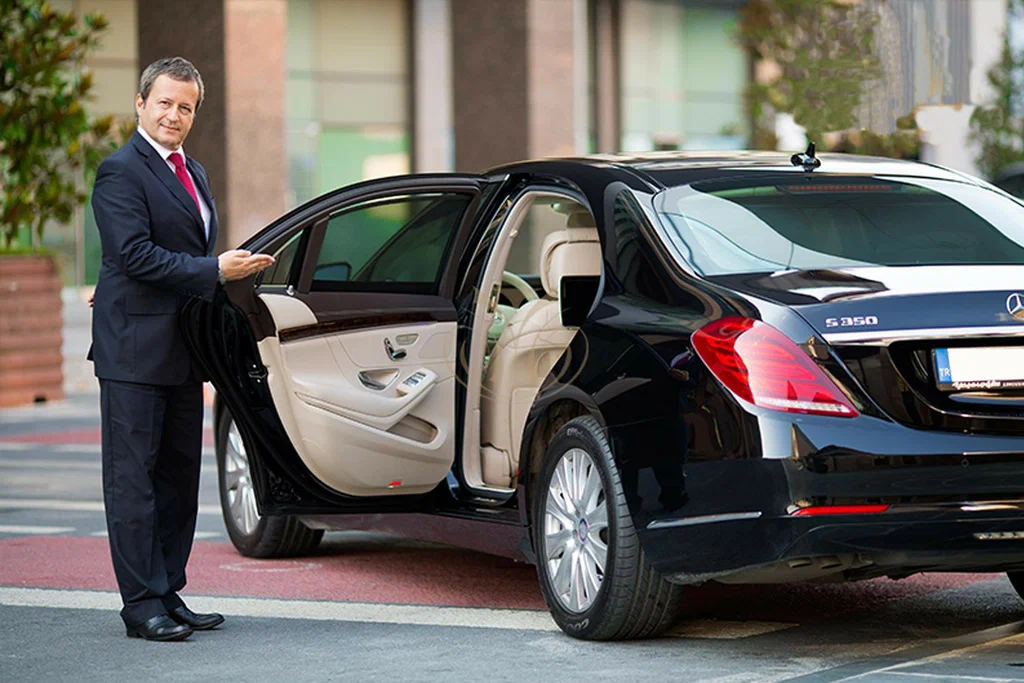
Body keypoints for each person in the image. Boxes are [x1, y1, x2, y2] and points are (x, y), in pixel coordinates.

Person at [88, 57, 274, 641]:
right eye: (164, 102)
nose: (175, 115)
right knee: (132, 482)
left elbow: (153, 254)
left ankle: (169, 592)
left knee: (175, 481)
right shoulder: (120, 170)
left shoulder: (193, 170)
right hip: (133, 353)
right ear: (140, 103)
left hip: (181, 349)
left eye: (186, 106)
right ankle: (141, 604)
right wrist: (215, 270)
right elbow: (134, 254)